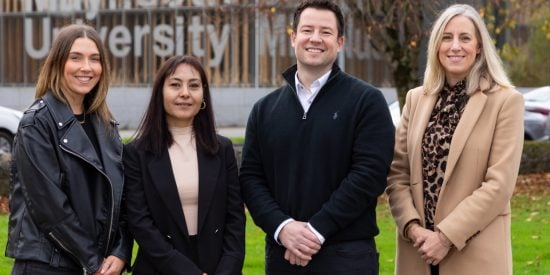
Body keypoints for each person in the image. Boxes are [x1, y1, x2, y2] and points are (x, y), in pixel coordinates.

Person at [239, 0, 395, 274]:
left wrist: (315, 231)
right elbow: (251, 179)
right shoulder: (264, 110)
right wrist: (282, 227)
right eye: (307, 30)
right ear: (293, 37)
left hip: (347, 257)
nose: (315, 38)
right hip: (282, 257)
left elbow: (369, 175)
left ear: (340, 42)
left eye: (325, 32)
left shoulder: (367, 101)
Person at [386, 4, 524, 275]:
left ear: (479, 47)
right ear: (436, 46)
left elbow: (499, 186)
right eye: (446, 38)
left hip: (474, 254)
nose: (455, 46)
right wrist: (413, 229)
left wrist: (445, 237)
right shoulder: (415, 99)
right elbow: (397, 174)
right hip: (418, 252)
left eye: (465, 38)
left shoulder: (506, 101)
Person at [6, 24, 132, 274]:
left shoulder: (106, 125)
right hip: (47, 265)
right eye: (76, 57)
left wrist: (121, 252)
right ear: (58, 63)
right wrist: (93, 263)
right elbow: (50, 207)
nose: (86, 67)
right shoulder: (36, 123)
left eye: (95, 59)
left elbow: (124, 196)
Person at [123, 55, 245, 275]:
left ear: (203, 94)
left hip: (217, 267)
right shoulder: (136, 154)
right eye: (175, 85)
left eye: (194, 86)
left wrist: (227, 270)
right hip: (160, 268)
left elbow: (235, 219)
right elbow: (140, 223)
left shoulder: (222, 149)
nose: (185, 93)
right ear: (160, 92)